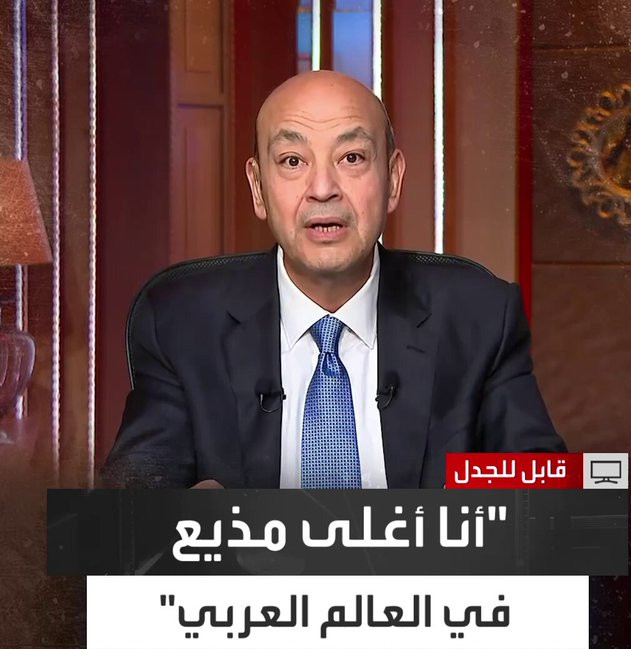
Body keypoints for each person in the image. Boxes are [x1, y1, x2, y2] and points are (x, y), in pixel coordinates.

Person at [101, 69, 566, 489]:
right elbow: (129, 506)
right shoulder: (181, 322)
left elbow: (546, 497)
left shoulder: (479, 316)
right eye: (292, 161)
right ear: (258, 188)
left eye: (352, 157)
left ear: (393, 179)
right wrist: (173, 522)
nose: (323, 189)